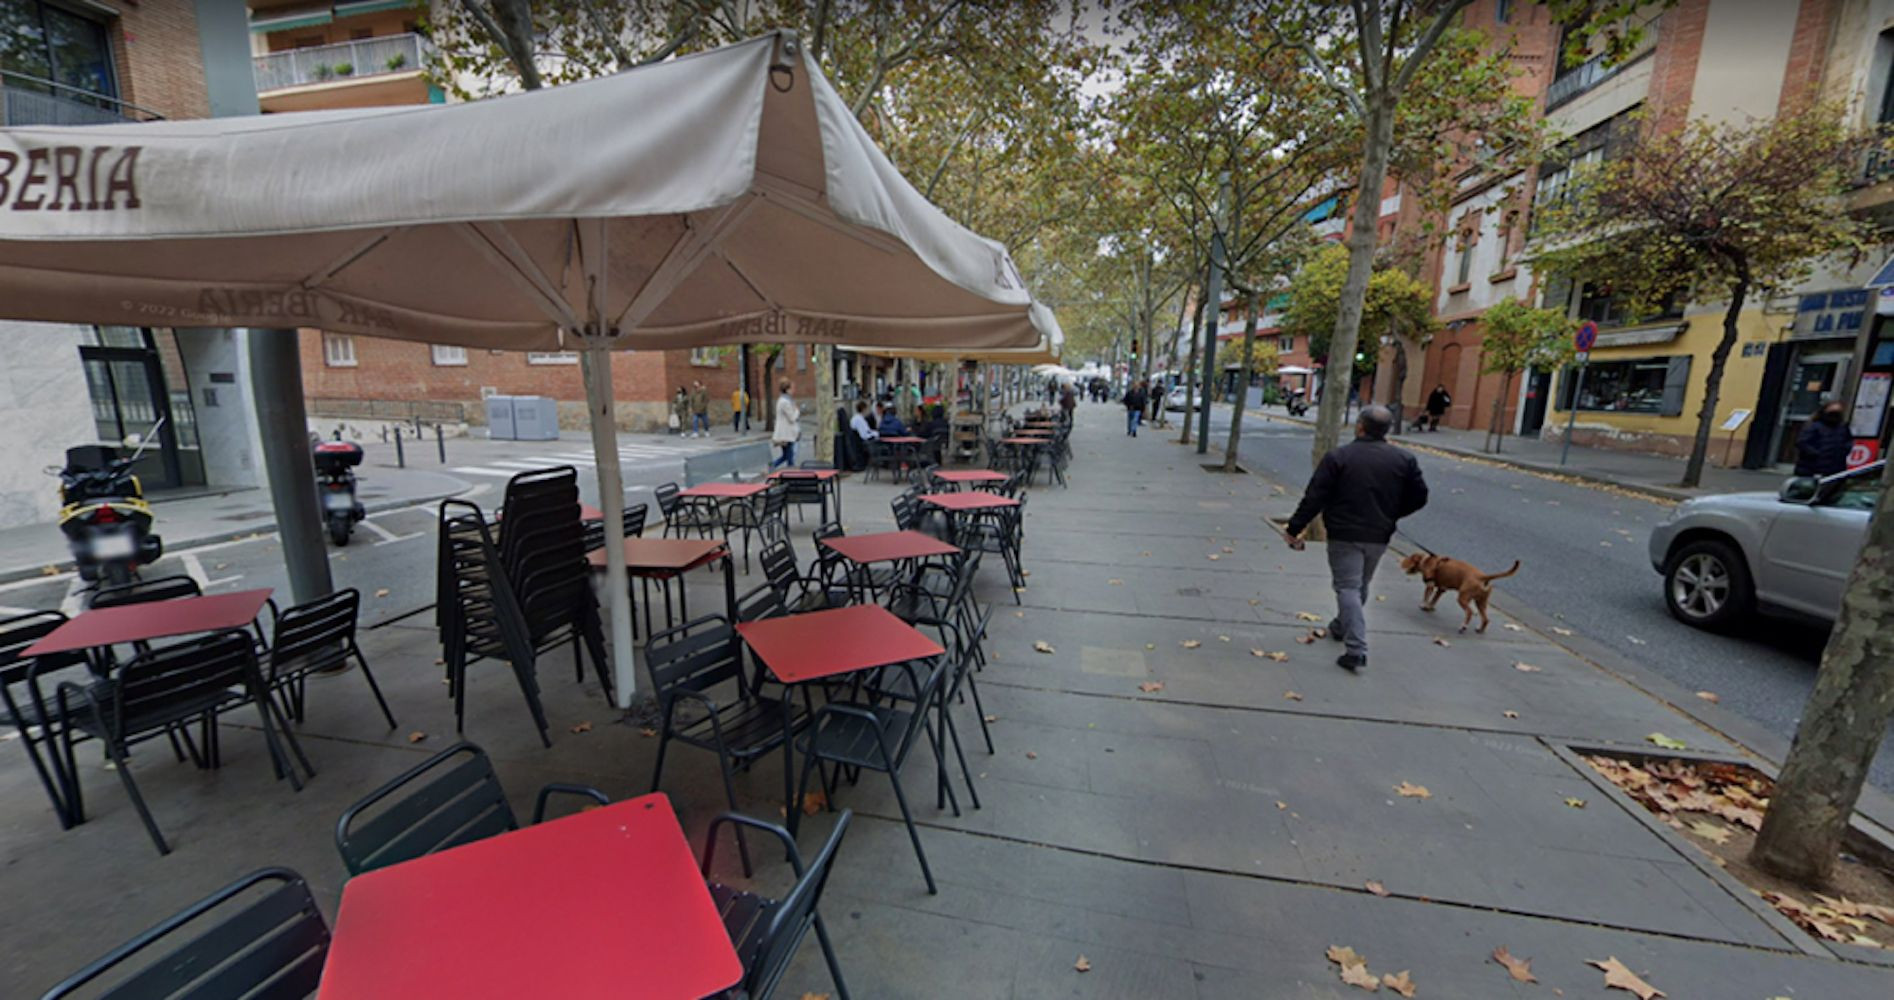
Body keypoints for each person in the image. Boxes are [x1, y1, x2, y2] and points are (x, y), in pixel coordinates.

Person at [1283, 405, 1429, 673]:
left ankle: (1356, 649)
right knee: (1360, 584)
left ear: (1360, 426)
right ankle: (1341, 625)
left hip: (1344, 532)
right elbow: (1419, 497)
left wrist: (1294, 528)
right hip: (1379, 533)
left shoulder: (1339, 457)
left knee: (1348, 587)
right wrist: (1392, 513)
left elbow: (1315, 496)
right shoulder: (1403, 460)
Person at [1795, 401, 1852, 478]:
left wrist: (1843, 452)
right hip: (1813, 467)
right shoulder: (1815, 426)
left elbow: (1848, 442)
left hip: (1835, 467)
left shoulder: (1842, 427)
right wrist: (1817, 454)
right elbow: (1803, 443)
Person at [770, 380, 800, 468]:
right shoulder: (785, 402)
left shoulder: (784, 400)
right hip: (786, 435)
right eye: (792, 388)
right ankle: (772, 467)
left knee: (787, 456)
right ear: (787, 390)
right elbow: (792, 418)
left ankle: (772, 467)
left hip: (786, 434)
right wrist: (797, 411)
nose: (794, 390)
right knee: (789, 456)